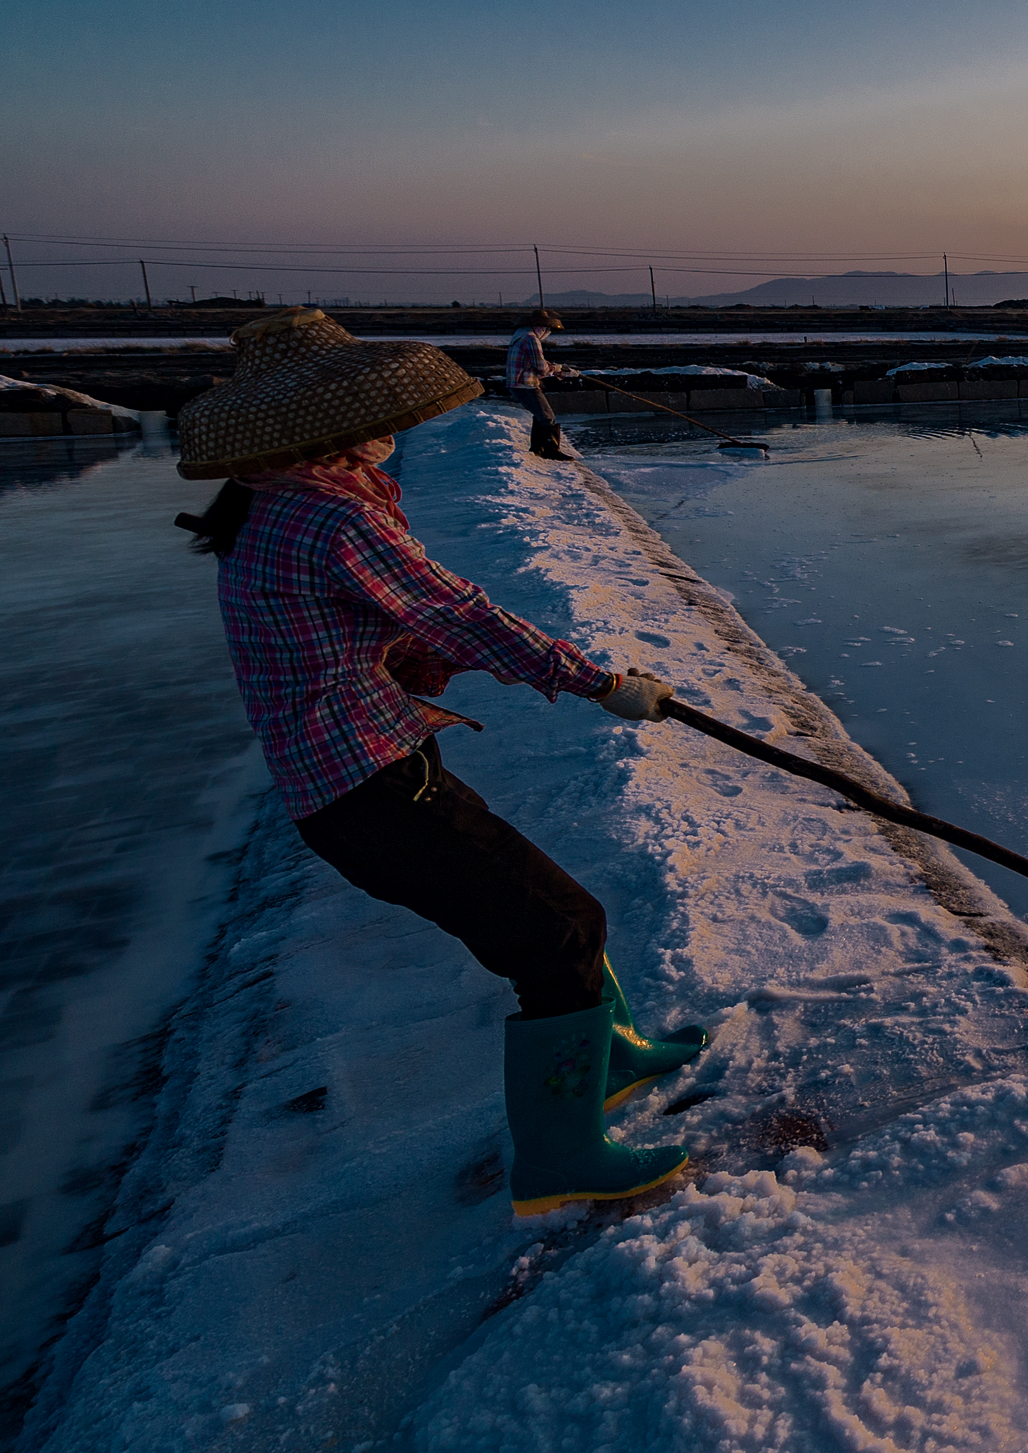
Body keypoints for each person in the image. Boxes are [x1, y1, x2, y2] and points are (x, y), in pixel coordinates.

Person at [173, 307, 703, 1217]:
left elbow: (373, 623)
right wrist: (601, 682)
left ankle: (612, 1058)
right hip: (369, 785)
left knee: (554, 915)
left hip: (356, 773)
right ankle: (562, 1158)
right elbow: (459, 612)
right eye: (365, 414)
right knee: (558, 931)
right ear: (327, 428)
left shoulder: (267, 499)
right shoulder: (333, 517)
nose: (385, 428)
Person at [505, 308, 577, 460]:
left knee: (540, 415)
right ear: (541, 327)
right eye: (546, 329)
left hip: (518, 383)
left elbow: (534, 362)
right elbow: (541, 367)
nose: (547, 332)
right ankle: (551, 450)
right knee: (547, 416)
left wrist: (557, 369)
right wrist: (557, 369)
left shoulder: (520, 335)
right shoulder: (531, 339)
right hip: (525, 384)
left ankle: (538, 448)